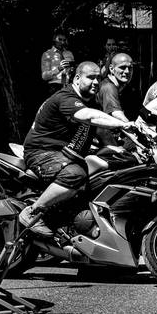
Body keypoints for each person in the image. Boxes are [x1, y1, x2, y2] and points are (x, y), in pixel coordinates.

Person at [18, 62, 137, 236]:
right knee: (75, 174)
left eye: (98, 78)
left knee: (103, 174)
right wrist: (123, 124)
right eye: (91, 77)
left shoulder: (91, 103)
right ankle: (32, 212)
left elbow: (103, 133)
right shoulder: (66, 97)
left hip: (64, 153)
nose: (96, 82)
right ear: (77, 78)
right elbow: (87, 116)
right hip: (41, 152)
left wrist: (128, 146)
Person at [96, 53, 137, 147]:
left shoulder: (125, 88)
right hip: (101, 136)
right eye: (122, 67)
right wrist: (134, 130)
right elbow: (117, 114)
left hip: (111, 134)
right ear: (111, 69)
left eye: (130, 68)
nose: (127, 71)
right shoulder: (108, 87)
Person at [41, 30, 76, 95]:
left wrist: (72, 71)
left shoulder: (69, 53)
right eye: (60, 39)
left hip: (69, 85)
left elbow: (73, 70)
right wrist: (58, 69)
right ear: (54, 39)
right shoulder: (47, 54)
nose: (62, 42)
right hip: (54, 86)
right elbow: (44, 76)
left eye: (64, 40)